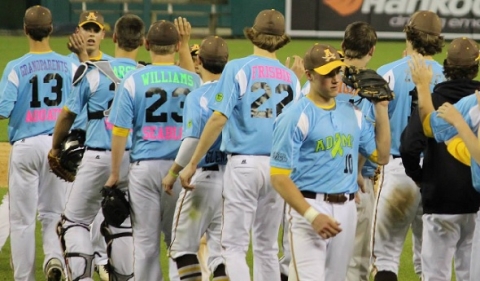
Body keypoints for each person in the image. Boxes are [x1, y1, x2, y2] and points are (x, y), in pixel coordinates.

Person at [179, 9, 301, 281]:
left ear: (253, 34)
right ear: (281, 40)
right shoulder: (291, 77)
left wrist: (192, 162)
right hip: (279, 169)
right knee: (267, 247)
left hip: (244, 164)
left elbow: (218, 118)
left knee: (233, 246)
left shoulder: (238, 67)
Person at [270, 43, 390, 281]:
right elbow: (278, 177)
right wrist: (312, 216)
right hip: (309, 207)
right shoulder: (296, 115)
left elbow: (382, 157)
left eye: (338, 71)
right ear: (310, 75)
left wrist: (381, 108)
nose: (336, 79)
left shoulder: (352, 113)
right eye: (328, 74)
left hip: (346, 211)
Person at [105, 20, 202, 280]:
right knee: (180, 244)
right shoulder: (193, 80)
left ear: (146, 44)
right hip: (181, 171)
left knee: (146, 245)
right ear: (178, 45)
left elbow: (119, 132)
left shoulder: (133, 79)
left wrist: (115, 173)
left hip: (144, 170)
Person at [51, 14, 145, 281]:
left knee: (74, 221)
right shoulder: (144, 74)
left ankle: (82, 278)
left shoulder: (93, 70)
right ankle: (125, 277)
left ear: (113, 37)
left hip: (97, 157)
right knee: (122, 221)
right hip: (133, 161)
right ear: (142, 41)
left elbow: (68, 115)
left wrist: (56, 148)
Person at [363, 10, 445, 281]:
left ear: (408, 34)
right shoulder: (447, 77)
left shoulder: (388, 73)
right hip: (438, 173)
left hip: (398, 171)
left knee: (385, 255)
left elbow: (369, 124)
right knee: (431, 262)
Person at [0, 5, 78, 281]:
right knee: (54, 214)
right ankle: (55, 260)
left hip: (25, 148)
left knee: (21, 221)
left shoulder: (15, 68)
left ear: (25, 30)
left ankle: (25, 278)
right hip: (57, 148)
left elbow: (3, 110)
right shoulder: (70, 65)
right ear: (51, 29)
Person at [400, 37, 480, 281]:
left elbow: (411, 145)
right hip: (475, 203)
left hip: (441, 199)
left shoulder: (442, 100)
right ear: (476, 67)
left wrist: (422, 179)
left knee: (435, 275)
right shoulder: (474, 99)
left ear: (446, 65)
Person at [162, 35, 229, 281]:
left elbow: (191, 140)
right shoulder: (236, 93)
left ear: (198, 61)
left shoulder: (197, 96)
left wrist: (173, 172)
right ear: (227, 61)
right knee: (220, 254)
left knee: (182, 248)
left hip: (201, 180)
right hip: (231, 180)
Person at [67, 11, 113, 281]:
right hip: (74, 143)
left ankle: (101, 259)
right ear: (78, 32)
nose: (92, 34)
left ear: (104, 34)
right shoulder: (65, 64)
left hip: (99, 142)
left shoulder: (110, 66)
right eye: (87, 29)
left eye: (96, 29)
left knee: (98, 208)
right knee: (74, 209)